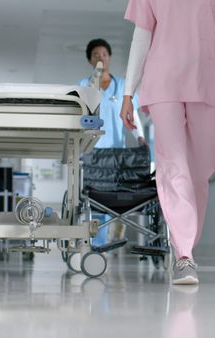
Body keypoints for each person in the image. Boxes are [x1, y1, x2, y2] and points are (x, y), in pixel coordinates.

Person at [121, 0, 215, 285]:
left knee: (200, 171)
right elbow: (142, 35)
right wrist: (128, 90)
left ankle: (185, 245)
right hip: (163, 80)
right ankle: (184, 254)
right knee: (173, 165)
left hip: (207, 77)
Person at [78, 38, 145, 246]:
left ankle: (114, 230)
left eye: (104, 54)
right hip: (92, 150)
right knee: (96, 197)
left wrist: (141, 137)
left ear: (110, 58)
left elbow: (132, 116)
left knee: (112, 195)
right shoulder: (83, 86)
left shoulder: (123, 86)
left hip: (116, 152)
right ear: (90, 60)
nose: (101, 58)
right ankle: (97, 243)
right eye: (96, 55)